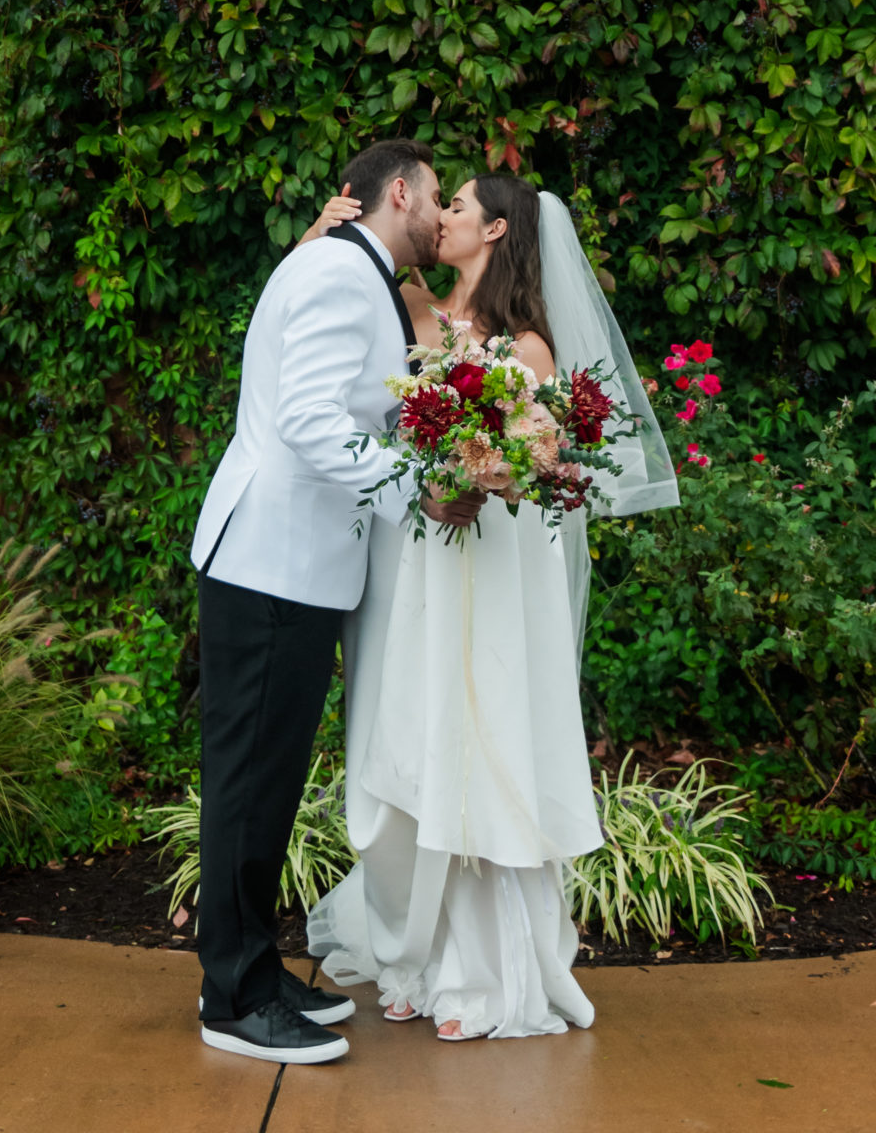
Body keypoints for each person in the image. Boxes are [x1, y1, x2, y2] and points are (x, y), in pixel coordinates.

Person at [303, 176, 679, 1040]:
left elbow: (538, 461)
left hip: (493, 566)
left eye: (460, 207)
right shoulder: (406, 306)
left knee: (480, 741)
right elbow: (313, 310)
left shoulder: (531, 349)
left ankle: (477, 975)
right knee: (407, 739)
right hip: (416, 564)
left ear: (497, 229)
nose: (441, 217)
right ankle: (406, 951)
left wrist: (498, 465)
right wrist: (315, 234)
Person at [190, 137, 481, 1066]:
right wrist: (416, 486)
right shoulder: (334, 273)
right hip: (272, 564)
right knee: (246, 784)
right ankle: (231, 1000)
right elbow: (312, 420)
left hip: (300, 568)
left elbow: (348, 410)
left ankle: (248, 968)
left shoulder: (353, 273)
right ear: (397, 192)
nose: (441, 217)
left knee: (267, 783)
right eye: (435, 198)